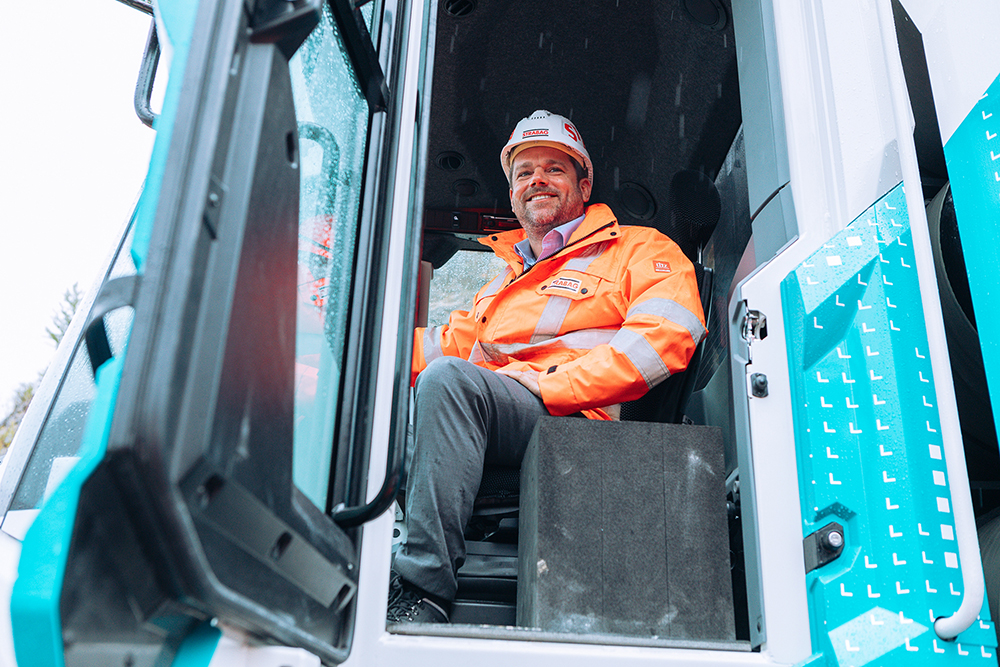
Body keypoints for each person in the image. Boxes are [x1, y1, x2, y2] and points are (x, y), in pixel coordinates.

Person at [387, 110, 706, 623]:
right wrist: (329, 357)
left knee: (449, 385)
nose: (537, 180)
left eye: (553, 169)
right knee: (380, 400)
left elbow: (665, 340)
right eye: (524, 172)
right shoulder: (504, 281)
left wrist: (548, 383)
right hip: (502, 411)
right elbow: (441, 349)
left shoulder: (639, 250)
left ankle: (422, 592)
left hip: (579, 423)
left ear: (583, 184)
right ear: (513, 195)